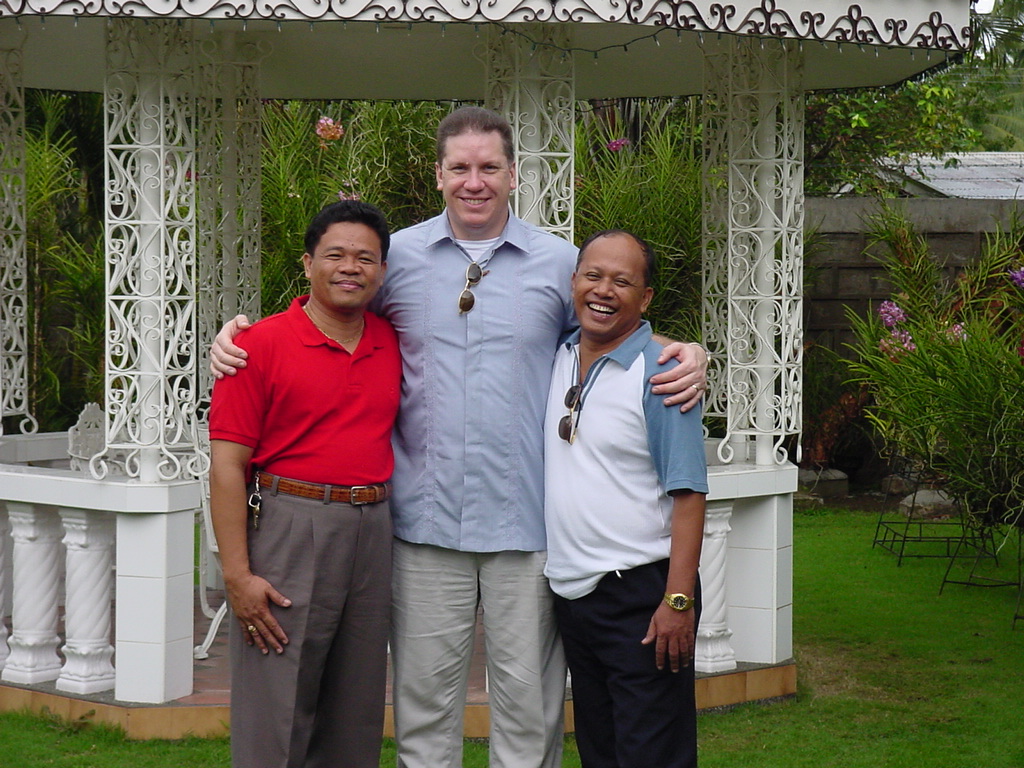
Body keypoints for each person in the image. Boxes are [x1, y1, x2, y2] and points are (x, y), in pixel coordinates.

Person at [211, 106, 708, 768]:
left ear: (512, 176)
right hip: (424, 528)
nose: (475, 182)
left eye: (489, 168)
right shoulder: (398, 260)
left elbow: (612, 326)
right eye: (460, 168)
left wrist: (689, 351)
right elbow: (328, 309)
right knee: (423, 715)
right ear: (439, 175)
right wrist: (236, 333)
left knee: (529, 717)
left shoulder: (560, 262)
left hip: (527, 532)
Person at [208, 200, 400, 768]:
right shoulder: (257, 346)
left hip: (374, 528)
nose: (350, 267)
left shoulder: (392, 341)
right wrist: (237, 575)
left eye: (365, 258)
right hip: (292, 524)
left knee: (356, 704)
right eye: (335, 255)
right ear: (308, 263)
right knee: (277, 703)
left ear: (382, 272)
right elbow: (225, 467)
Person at [544, 229, 708, 768]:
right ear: (573, 282)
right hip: (576, 597)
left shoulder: (663, 373)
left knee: (650, 753)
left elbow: (688, 495)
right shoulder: (561, 355)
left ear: (646, 299)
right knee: (601, 750)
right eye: (593, 275)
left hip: (644, 596)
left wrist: (677, 602)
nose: (604, 290)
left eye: (623, 281)